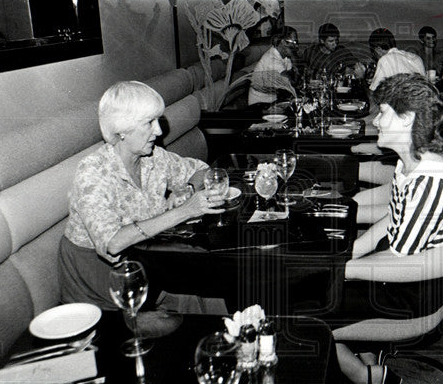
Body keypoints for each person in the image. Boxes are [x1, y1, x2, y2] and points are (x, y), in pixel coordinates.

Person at [335, 73, 443, 384]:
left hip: (413, 292)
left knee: (294, 316)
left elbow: (401, 261)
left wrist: (342, 269)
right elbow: (391, 220)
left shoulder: (430, 178)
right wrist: (352, 251)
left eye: (383, 112)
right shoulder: (411, 161)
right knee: (312, 282)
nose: (376, 120)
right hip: (399, 274)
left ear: (407, 118)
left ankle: (372, 381)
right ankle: (366, 356)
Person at [59, 81, 224, 308]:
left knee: (214, 279)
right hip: (102, 277)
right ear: (122, 129)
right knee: (200, 292)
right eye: (149, 123)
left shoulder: (154, 157)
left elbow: (201, 169)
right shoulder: (94, 171)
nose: (158, 130)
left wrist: (188, 189)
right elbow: (113, 243)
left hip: (146, 257)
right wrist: (184, 211)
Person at [247, 27, 300, 105]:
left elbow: (293, 75)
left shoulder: (284, 56)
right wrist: (295, 59)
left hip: (274, 99)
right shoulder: (272, 59)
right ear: (283, 42)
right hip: (261, 104)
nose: (296, 46)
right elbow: (291, 82)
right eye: (294, 42)